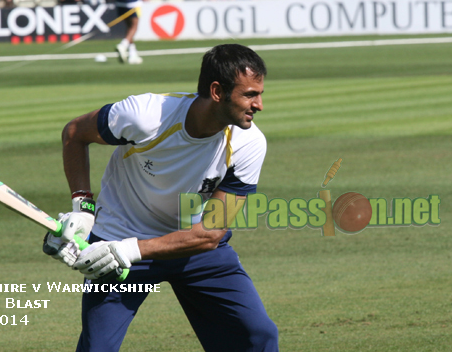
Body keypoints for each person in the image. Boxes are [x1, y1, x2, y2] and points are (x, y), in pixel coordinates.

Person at [42, 44, 278, 352]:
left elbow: (210, 233)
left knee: (257, 336)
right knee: (97, 348)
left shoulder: (250, 144)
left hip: (192, 247)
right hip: (117, 239)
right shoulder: (144, 115)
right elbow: (75, 133)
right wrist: (83, 207)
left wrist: (133, 250)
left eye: (259, 94)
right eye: (250, 94)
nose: (259, 104)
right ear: (217, 91)